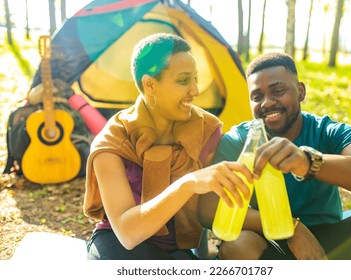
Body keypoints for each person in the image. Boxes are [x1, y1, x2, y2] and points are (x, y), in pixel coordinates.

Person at [200, 52, 351, 260]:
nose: (267, 103)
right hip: (269, 238)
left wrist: (307, 162)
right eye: (257, 97)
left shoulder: (326, 131)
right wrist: (291, 226)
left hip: (329, 237)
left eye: (278, 91)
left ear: (300, 91)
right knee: (237, 245)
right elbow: (208, 210)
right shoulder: (239, 141)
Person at [83, 33, 253, 260]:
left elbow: (207, 213)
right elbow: (127, 233)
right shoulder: (112, 142)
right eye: (183, 81)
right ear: (150, 84)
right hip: (119, 245)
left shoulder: (207, 130)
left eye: (195, 79)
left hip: (177, 249)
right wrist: (188, 184)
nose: (195, 91)